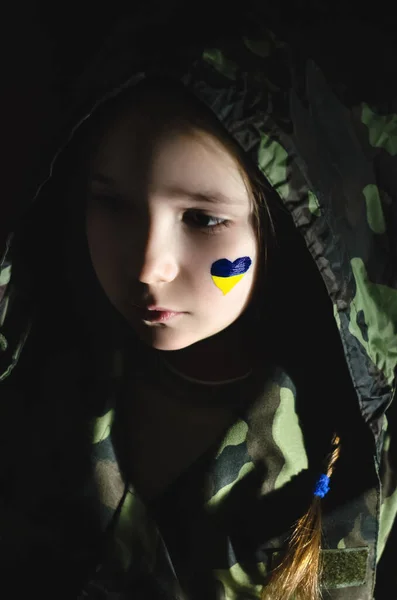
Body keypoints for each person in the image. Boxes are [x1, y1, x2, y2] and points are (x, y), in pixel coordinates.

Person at [0, 12, 396, 600]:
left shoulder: (337, 464)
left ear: (287, 229)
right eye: (113, 204)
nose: (147, 266)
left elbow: (344, 583)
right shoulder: (46, 370)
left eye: (203, 219)